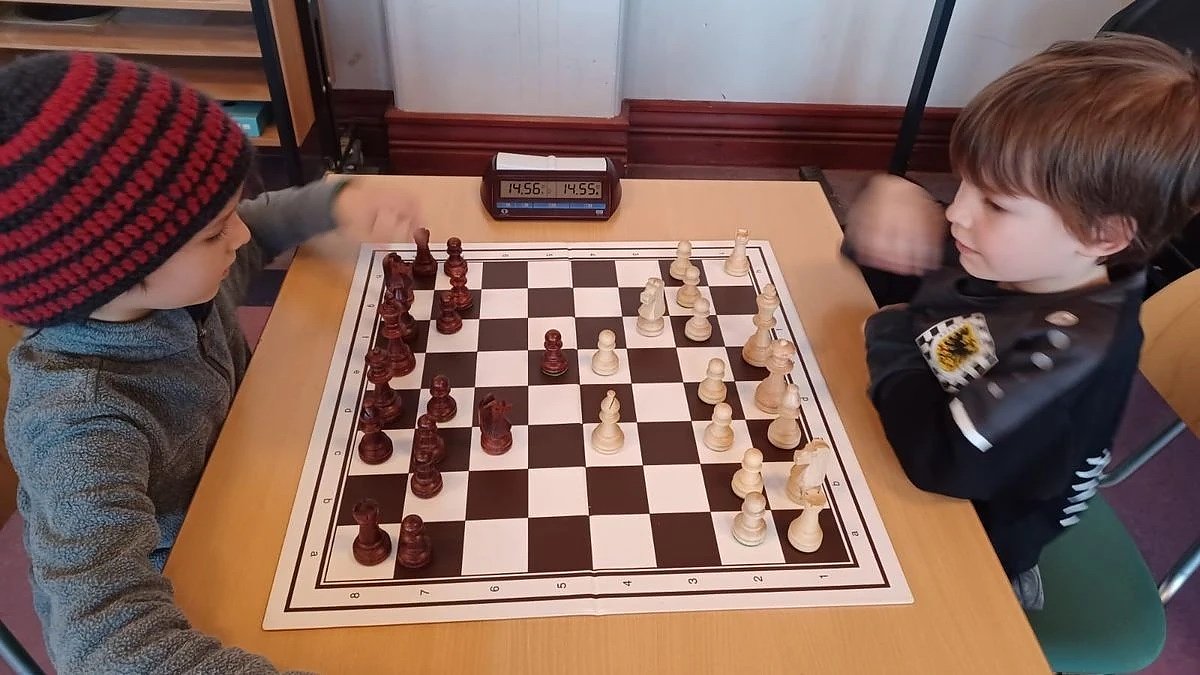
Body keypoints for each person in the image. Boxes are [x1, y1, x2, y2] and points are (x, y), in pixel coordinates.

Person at [0, 52, 421, 672]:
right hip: (191, 592)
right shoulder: (80, 425)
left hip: (254, 483)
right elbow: (102, 647)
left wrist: (333, 203)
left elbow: (260, 226)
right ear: (118, 269)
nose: (241, 237)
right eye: (215, 232)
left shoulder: (173, 288)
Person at [845, 34, 1200, 609]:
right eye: (964, 183)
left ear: (1102, 234)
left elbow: (941, 462)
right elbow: (912, 287)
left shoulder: (1072, 348)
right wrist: (887, 215)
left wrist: (892, 340)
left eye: (996, 203)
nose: (956, 211)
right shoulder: (1025, 258)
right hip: (929, 435)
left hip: (982, 536)